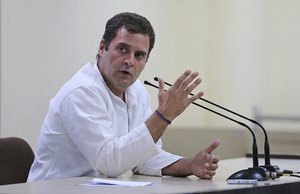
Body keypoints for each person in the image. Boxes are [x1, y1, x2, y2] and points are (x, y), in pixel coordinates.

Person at [27, 12, 220, 182]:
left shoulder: (136, 91)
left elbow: (144, 158)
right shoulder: (82, 91)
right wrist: (163, 116)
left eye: (139, 55)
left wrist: (191, 165)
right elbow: (109, 163)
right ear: (102, 47)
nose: (130, 61)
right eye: (122, 49)